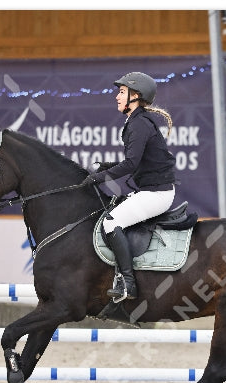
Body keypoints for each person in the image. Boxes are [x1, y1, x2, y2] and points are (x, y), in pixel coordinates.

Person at [83, 72, 177, 301]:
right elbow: (136, 161)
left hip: (157, 194)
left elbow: (131, 164)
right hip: (151, 190)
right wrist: (109, 166)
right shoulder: (136, 121)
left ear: (135, 96)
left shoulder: (139, 124)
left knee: (110, 223)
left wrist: (99, 177)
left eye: (122, 92)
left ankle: (127, 283)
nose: (117, 97)